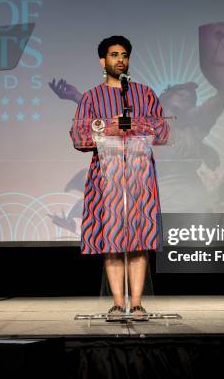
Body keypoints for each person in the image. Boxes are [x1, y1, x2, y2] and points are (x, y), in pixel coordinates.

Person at [69, 36, 167, 321]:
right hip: (107, 176)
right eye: (114, 55)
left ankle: (136, 304)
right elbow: (78, 137)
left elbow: (162, 131)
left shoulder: (144, 93)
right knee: (111, 239)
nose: (120, 59)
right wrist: (109, 129)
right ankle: (116, 303)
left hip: (140, 174)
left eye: (124, 54)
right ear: (103, 61)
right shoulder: (91, 97)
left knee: (139, 239)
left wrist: (136, 124)